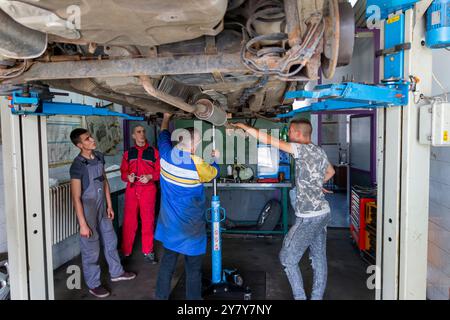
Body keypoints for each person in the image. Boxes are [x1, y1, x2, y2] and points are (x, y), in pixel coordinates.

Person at [232, 119, 335, 300]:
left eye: (290, 132)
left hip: (309, 217)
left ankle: (300, 297)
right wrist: (316, 185)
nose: (288, 135)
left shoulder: (300, 149)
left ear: (296, 132)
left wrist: (246, 127)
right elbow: (331, 172)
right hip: (324, 213)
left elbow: (270, 141)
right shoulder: (319, 150)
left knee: (287, 259)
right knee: (319, 260)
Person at [155, 113, 220, 300]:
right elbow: (215, 173)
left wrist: (166, 116)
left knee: (168, 263)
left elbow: (163, 134)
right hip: (192, 228)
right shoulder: (198, 165)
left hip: (170, 226)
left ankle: (160, 297)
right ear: (193, 145)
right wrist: (215, 158)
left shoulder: (166, 154)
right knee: (193, 270)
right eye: (197, 143)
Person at [69, 128, 136, 298]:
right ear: (79, 145)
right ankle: (94, 284)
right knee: (91, 248)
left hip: (102, 205)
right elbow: (76, 197)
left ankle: (116, 272)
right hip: (88, 207)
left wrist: (109, 205)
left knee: (111, 239)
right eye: (87, 138)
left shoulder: (99, 156)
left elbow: (104, 180)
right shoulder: (77, 165)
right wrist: (83, 224)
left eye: (90, 136)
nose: (92, 139)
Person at [120, 125, 160, 263]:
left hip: (148, 189)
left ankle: (148, 251)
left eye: (143, 131)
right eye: (138, 132)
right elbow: (123, 172)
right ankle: (126, 252)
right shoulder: (127, 153)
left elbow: (160, 172)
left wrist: (150, 176)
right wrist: (127, 177)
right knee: (129, 222)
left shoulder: (154, 152)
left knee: (148, 221)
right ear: (133, 136)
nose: (142, 134)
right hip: (132, 189)